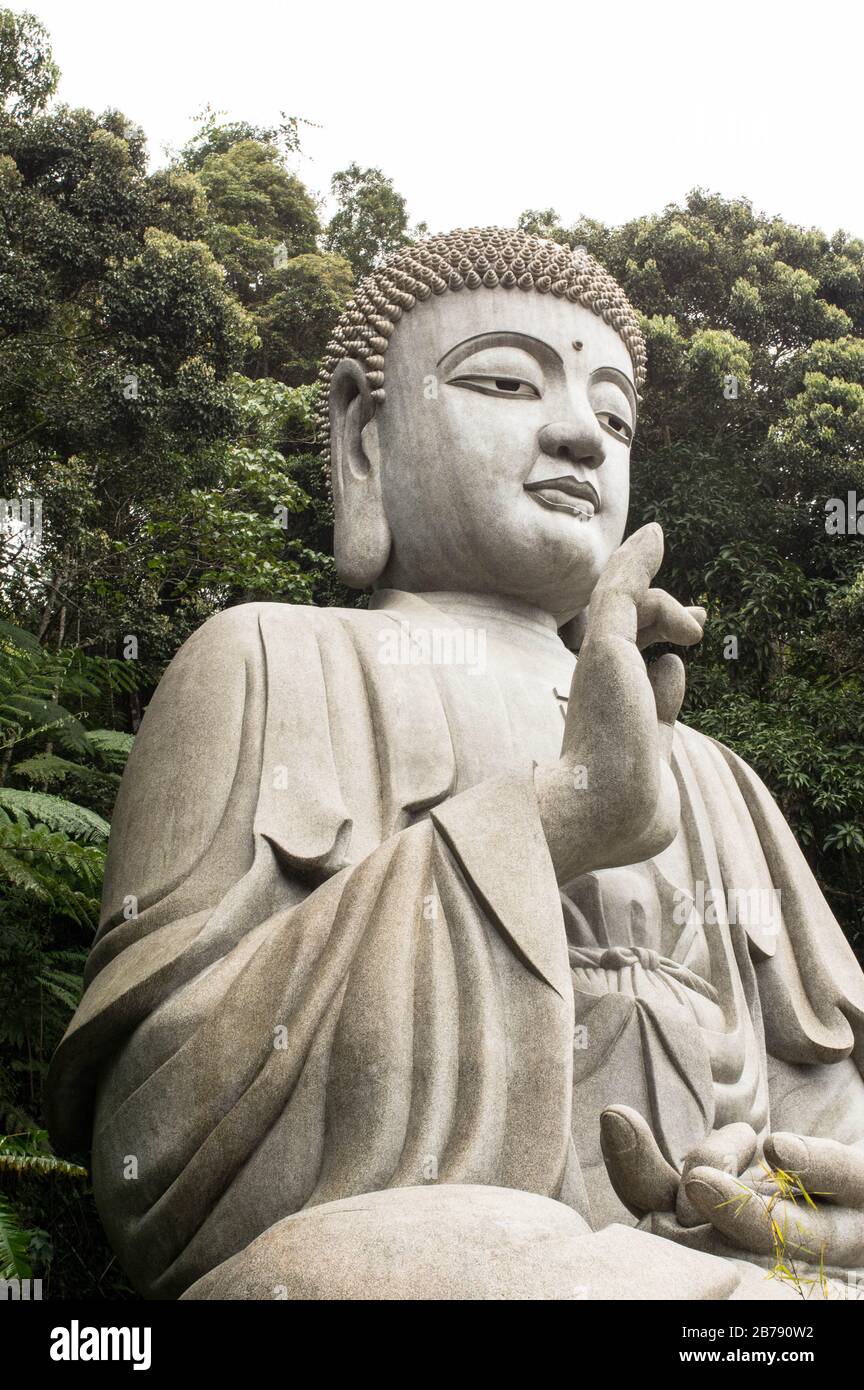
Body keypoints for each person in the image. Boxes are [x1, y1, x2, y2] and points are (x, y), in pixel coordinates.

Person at [46, 228, 864, 1300]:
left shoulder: (714, 774)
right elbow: (154, 1145)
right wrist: (555, 815)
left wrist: (813, 1202)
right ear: (366, 434)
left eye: (614, 415)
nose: (581, 434)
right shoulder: (269, 660)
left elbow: (828, 1101)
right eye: (505, 381)